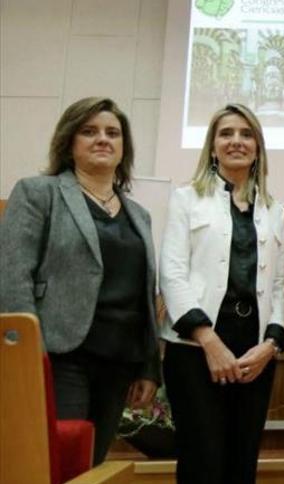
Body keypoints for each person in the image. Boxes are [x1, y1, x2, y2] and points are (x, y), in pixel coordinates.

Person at [0, 97, 160, 464]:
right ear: (69, 143)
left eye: (113, 133)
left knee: (92, 468)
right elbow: (12, 276)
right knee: (57, 466)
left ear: (124, 149)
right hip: (59, 356)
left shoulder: (140, 215)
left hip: (119, 363)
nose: (102, 139)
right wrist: (24, 355)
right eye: (89, 131)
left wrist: (148, 365)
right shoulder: (38, 193)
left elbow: (143, 295)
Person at [159, 103, 284, 484]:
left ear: (258, 148)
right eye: (226, 133)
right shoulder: (186, 199)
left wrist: (270, 345)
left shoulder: (275, 209)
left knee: (242, 465)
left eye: (246, 134)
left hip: (255, 354)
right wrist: (209, 341)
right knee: (203, 465)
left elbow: (281, 285)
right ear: (212, 147)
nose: (237, 141)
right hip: (194, 349)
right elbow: (172, 273)